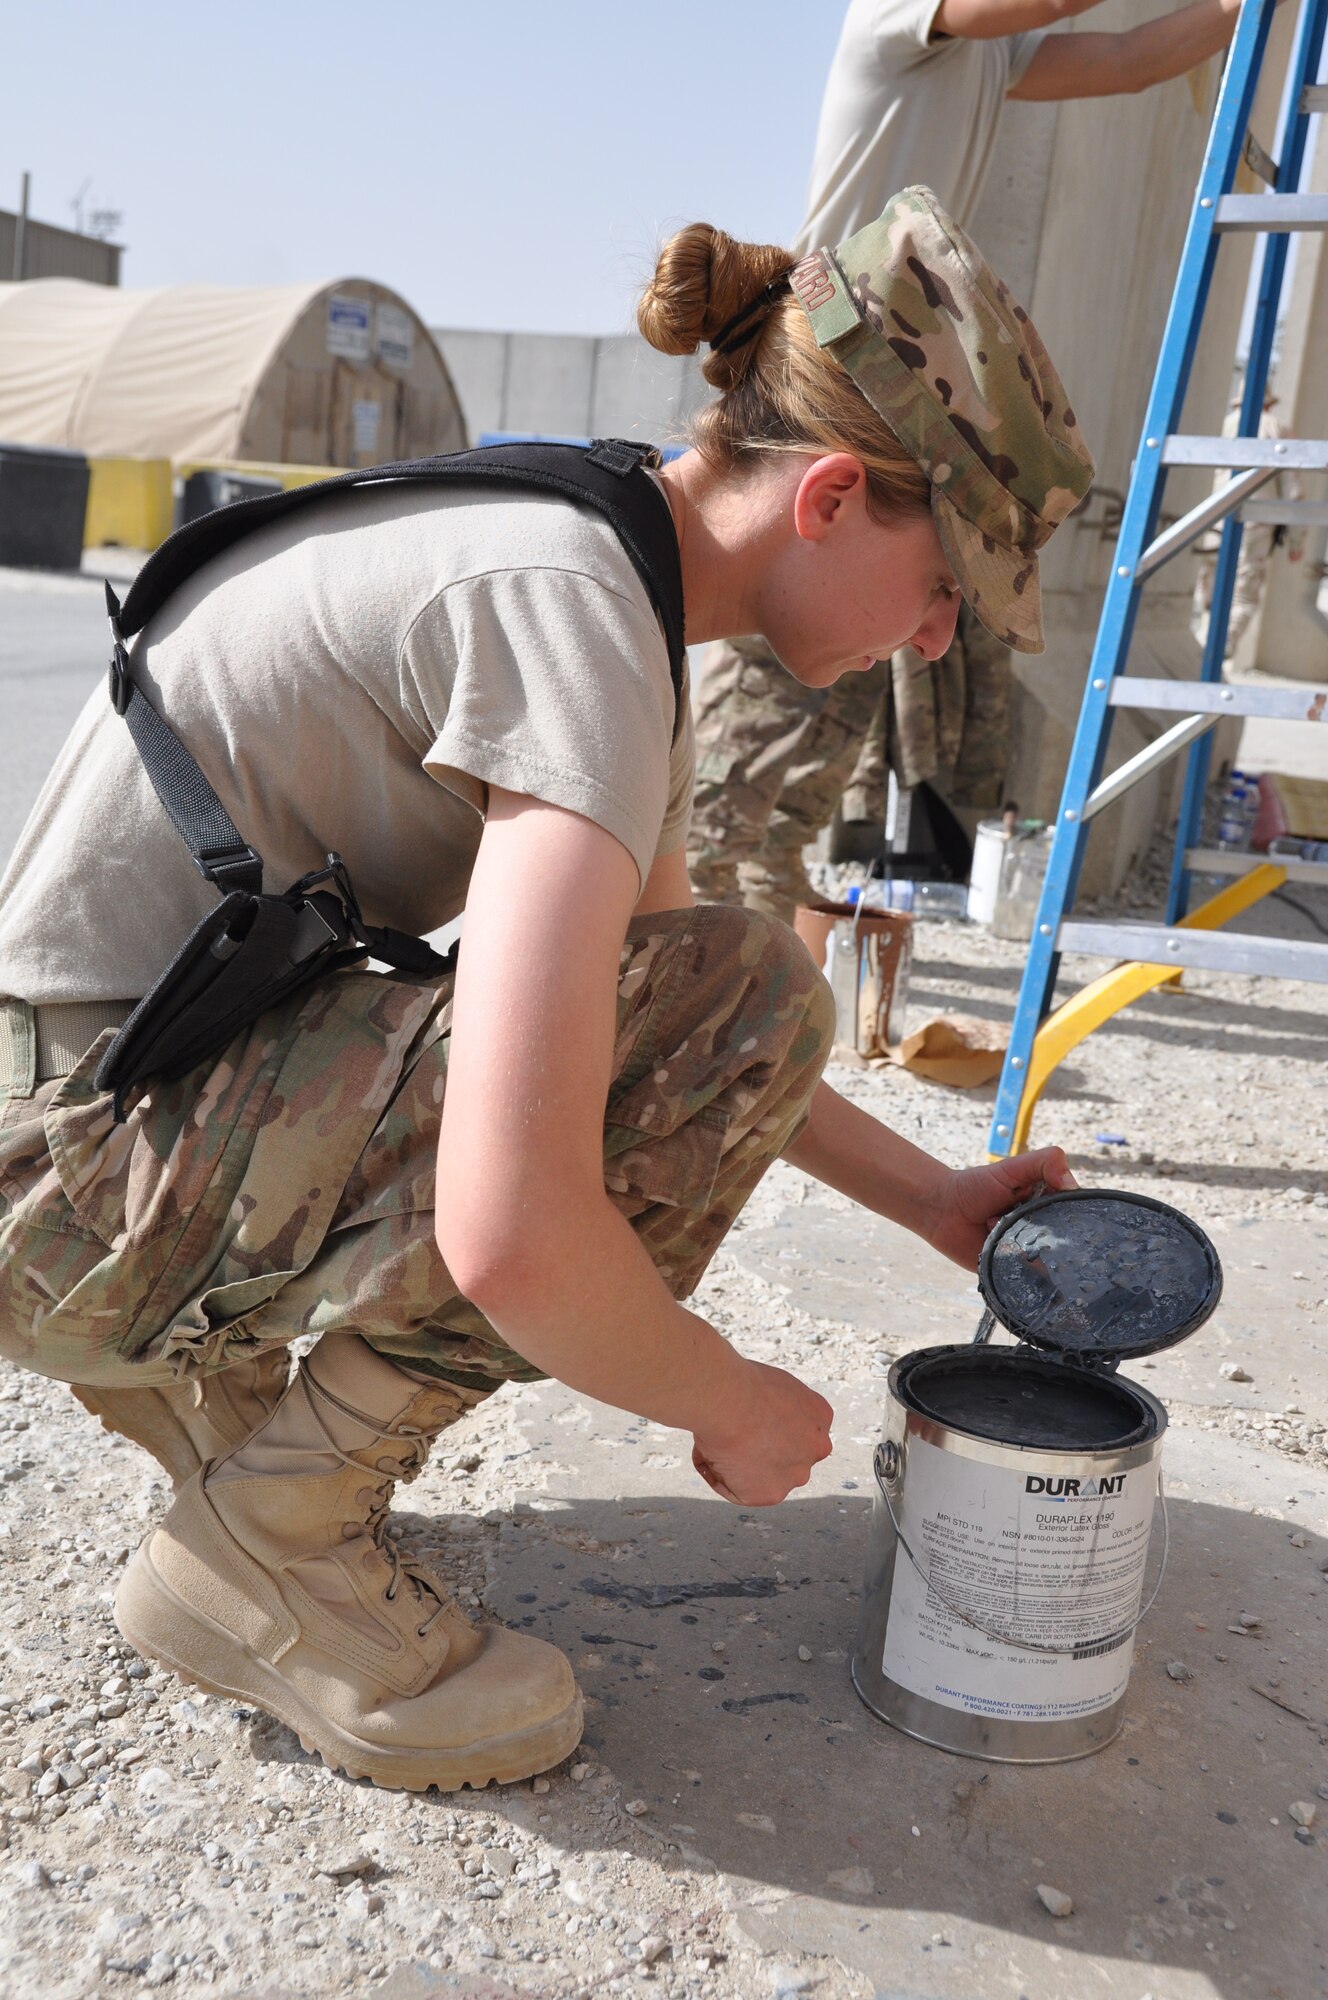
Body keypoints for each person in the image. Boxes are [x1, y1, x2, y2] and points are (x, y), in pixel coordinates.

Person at [0, 187, 1090, 1795]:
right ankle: (268, 1557)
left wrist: (931, 1196)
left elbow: (668, 1012)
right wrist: (729, 1401)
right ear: (836, 495)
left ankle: (215, 1392)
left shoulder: (595, 563)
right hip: (60, 1182)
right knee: (740, 1010)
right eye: (946, 593)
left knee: (721, 992)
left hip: (100, 1116)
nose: (936, 646)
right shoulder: (577, 619)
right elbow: (518, 1223)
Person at [690, 0, 1253, 924]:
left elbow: (1129, 58)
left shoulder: (992, 55)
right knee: (772, 666)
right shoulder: (899, 15)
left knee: (846, 667)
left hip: (891, 388)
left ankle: (769, 877)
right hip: (824, 379)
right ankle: (695, 894)